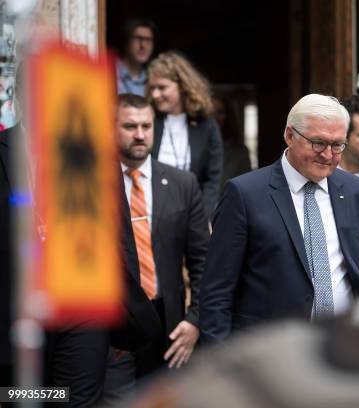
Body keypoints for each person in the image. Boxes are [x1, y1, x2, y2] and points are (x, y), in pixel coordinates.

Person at [0, 64, 161, 404]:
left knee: (76, 401)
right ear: (19, 97)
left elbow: (121, 239)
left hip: (83, 309)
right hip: (19, 311)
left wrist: (123, 307)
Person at [199, 94, 359, 343]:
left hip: (342, 349)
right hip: (270, 355)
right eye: (318, 143)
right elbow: (216, 291)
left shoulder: (358, 191)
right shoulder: (244, 194)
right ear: (290, 136)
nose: (328, 155)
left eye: (337, 145)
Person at [105, 94, 208, 401]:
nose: (140, 134)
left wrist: (195, 321)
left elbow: (203, 260)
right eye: (129, 126)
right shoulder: (94, 181)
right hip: (113, 331)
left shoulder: (182, 183)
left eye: (146, 126)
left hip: (169, 327)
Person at [148, 51, 223, 218]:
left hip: (194, 216)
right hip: (153, 214)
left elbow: (213, 178)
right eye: (152, 88)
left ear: (181, 86)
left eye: (162, 87)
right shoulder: (148, 121)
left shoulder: (206, 125)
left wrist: (204, 218)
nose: (155, 95)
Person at [212, 95, 252, 185]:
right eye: (210, 112)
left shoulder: (240, 153)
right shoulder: (192, 148)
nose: (214, 117)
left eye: (220, 112)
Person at [116, 19, 156, 96]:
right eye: (138, 38)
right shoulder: (110, 71)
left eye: (148, 40)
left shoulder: (153, 77)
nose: (143, 45)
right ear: (127, 41)